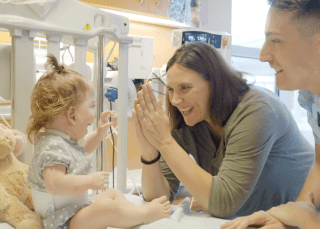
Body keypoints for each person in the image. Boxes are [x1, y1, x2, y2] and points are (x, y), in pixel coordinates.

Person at [132, 41, 315, 218]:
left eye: (185, 88)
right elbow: (158, 200)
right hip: (256, 219)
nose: (175, 100)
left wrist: (164, 141)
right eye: (171, 89)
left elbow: (223, 204)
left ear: (216, 84)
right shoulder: (190, 119)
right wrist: (150, 152)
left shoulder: (257, 110)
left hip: (307, 214)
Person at [26, 55, 171, 229]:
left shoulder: (59, 142)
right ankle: (145, 215)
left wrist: (99, 132)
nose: (94, 114)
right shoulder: (52, 146)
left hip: (73, 213)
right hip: (62, 221)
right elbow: (55, 184)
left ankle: (134, 216)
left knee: (113, 194)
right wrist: (89, 181)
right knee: (106, 208)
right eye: (91, 106)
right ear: (72, 115)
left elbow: (83, 148)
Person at [221, 0, 320, 228]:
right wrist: (288, 217)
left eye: (276, 40)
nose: (263, 56)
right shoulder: (312, 97)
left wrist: (308, 220)